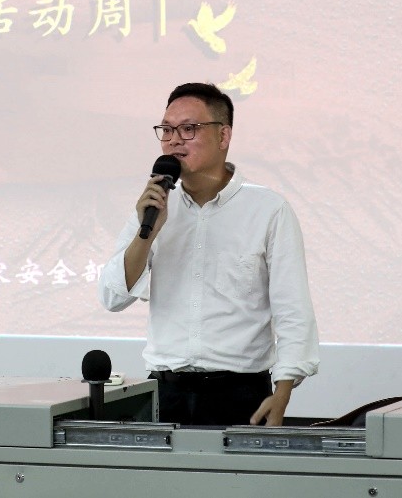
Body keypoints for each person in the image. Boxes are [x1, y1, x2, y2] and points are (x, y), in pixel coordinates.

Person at [98, 82, 319, 427]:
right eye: (167, 130)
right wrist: (147, 233)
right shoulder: (154, 206)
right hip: (165, 391)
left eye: (188, 129)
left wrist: (283, 391)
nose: (174, 140)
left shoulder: (268, 209)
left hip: (241, 394)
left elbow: (293, 309)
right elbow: (113, 297)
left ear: (223, 136)